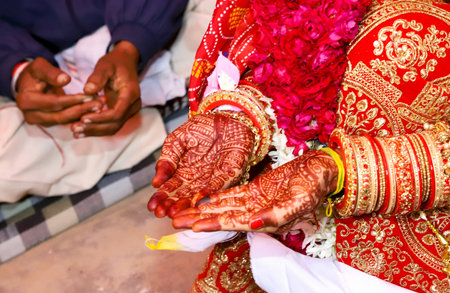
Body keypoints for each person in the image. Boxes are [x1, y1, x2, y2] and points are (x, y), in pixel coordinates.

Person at [148, 0, 450, 292]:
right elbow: (272, 39)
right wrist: (242, 115)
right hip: (283, 205)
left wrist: (345, 170)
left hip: (419, 247)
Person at [0, 0, 189, 202]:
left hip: (150, 15)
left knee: (219, 18)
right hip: (36, 58)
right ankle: (160, 101)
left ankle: (151, 106)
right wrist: (16, 71)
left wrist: (130, 43)